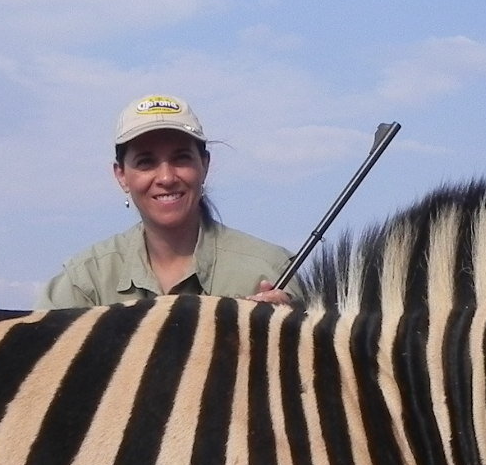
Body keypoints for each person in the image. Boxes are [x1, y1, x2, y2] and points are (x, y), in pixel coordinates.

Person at [43, 94, 297, 308]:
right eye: (146, 162)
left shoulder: (269, 269)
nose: (166, 177)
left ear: (205, 165)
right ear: (121, 175)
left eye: (181, 158)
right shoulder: (84, 282)